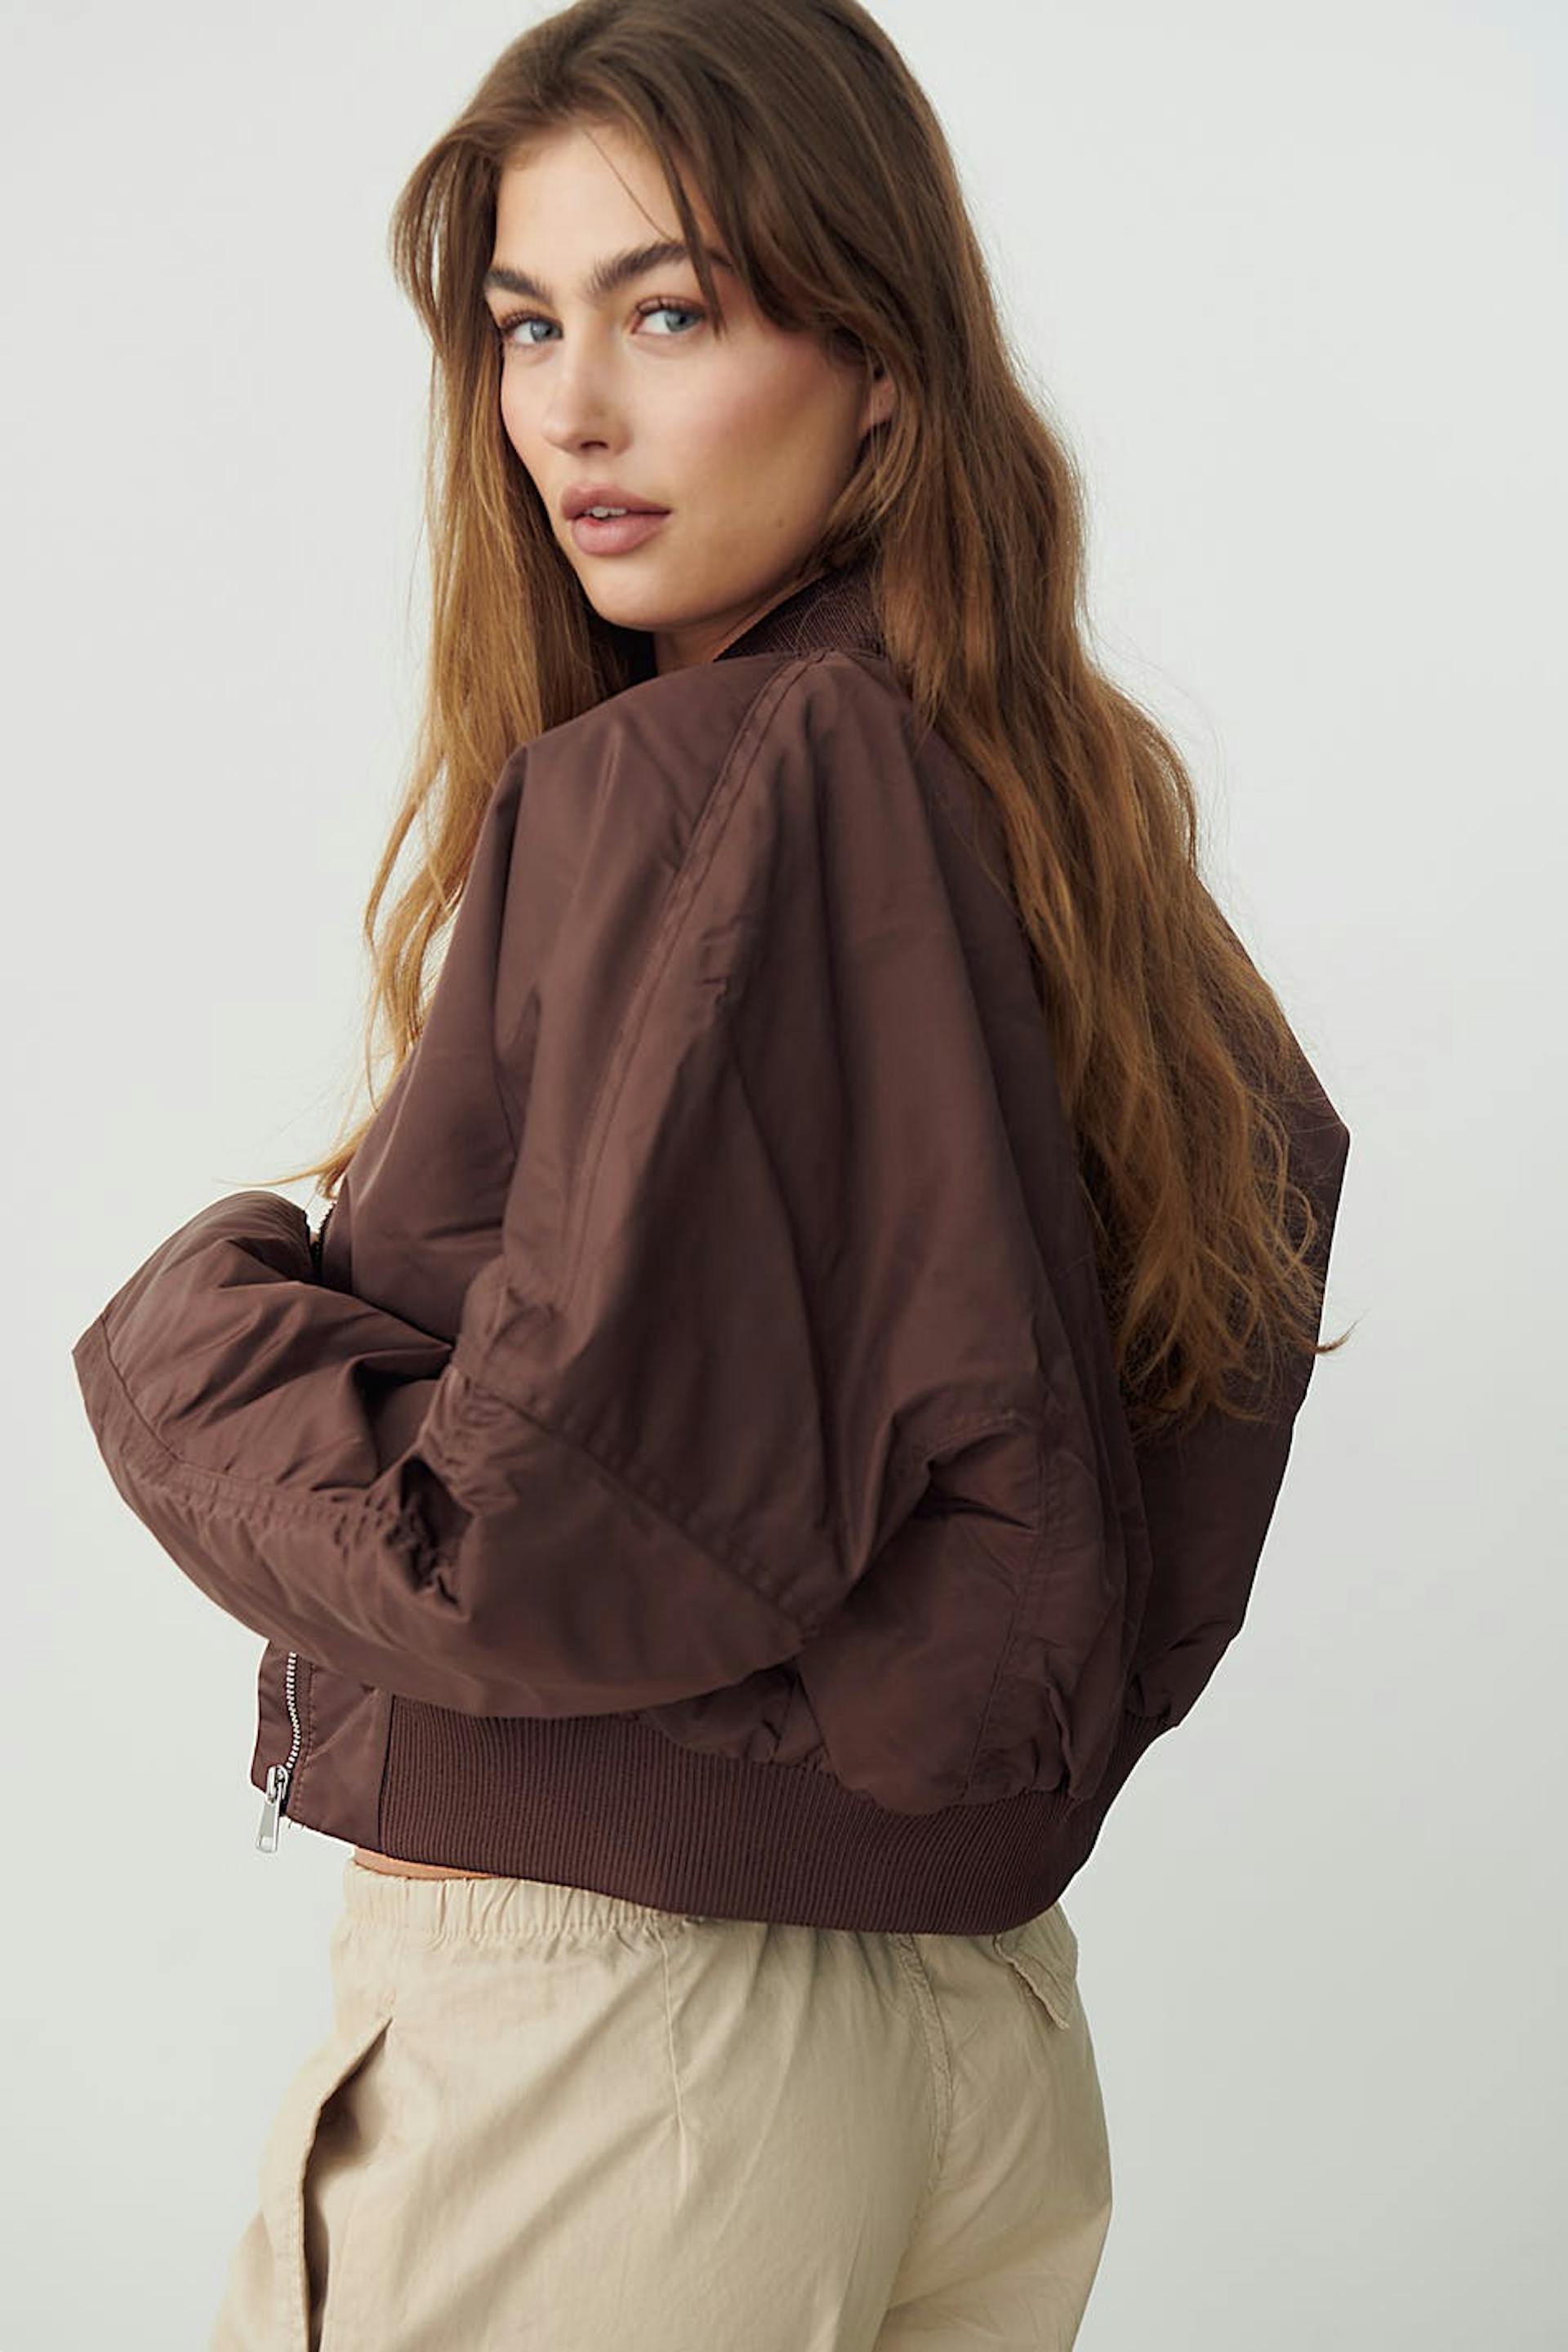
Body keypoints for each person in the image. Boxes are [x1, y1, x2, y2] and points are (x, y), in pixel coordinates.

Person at [69, 2, 1353, 2345]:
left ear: (882, 363)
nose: (572, 411)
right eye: (524, 326)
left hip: (624, 2060)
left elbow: (528, 1545)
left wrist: (193, 1327)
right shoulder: (1072, 831)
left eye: (669, 314)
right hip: (974, 2041)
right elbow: (1148, 1480)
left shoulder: (711, 786)